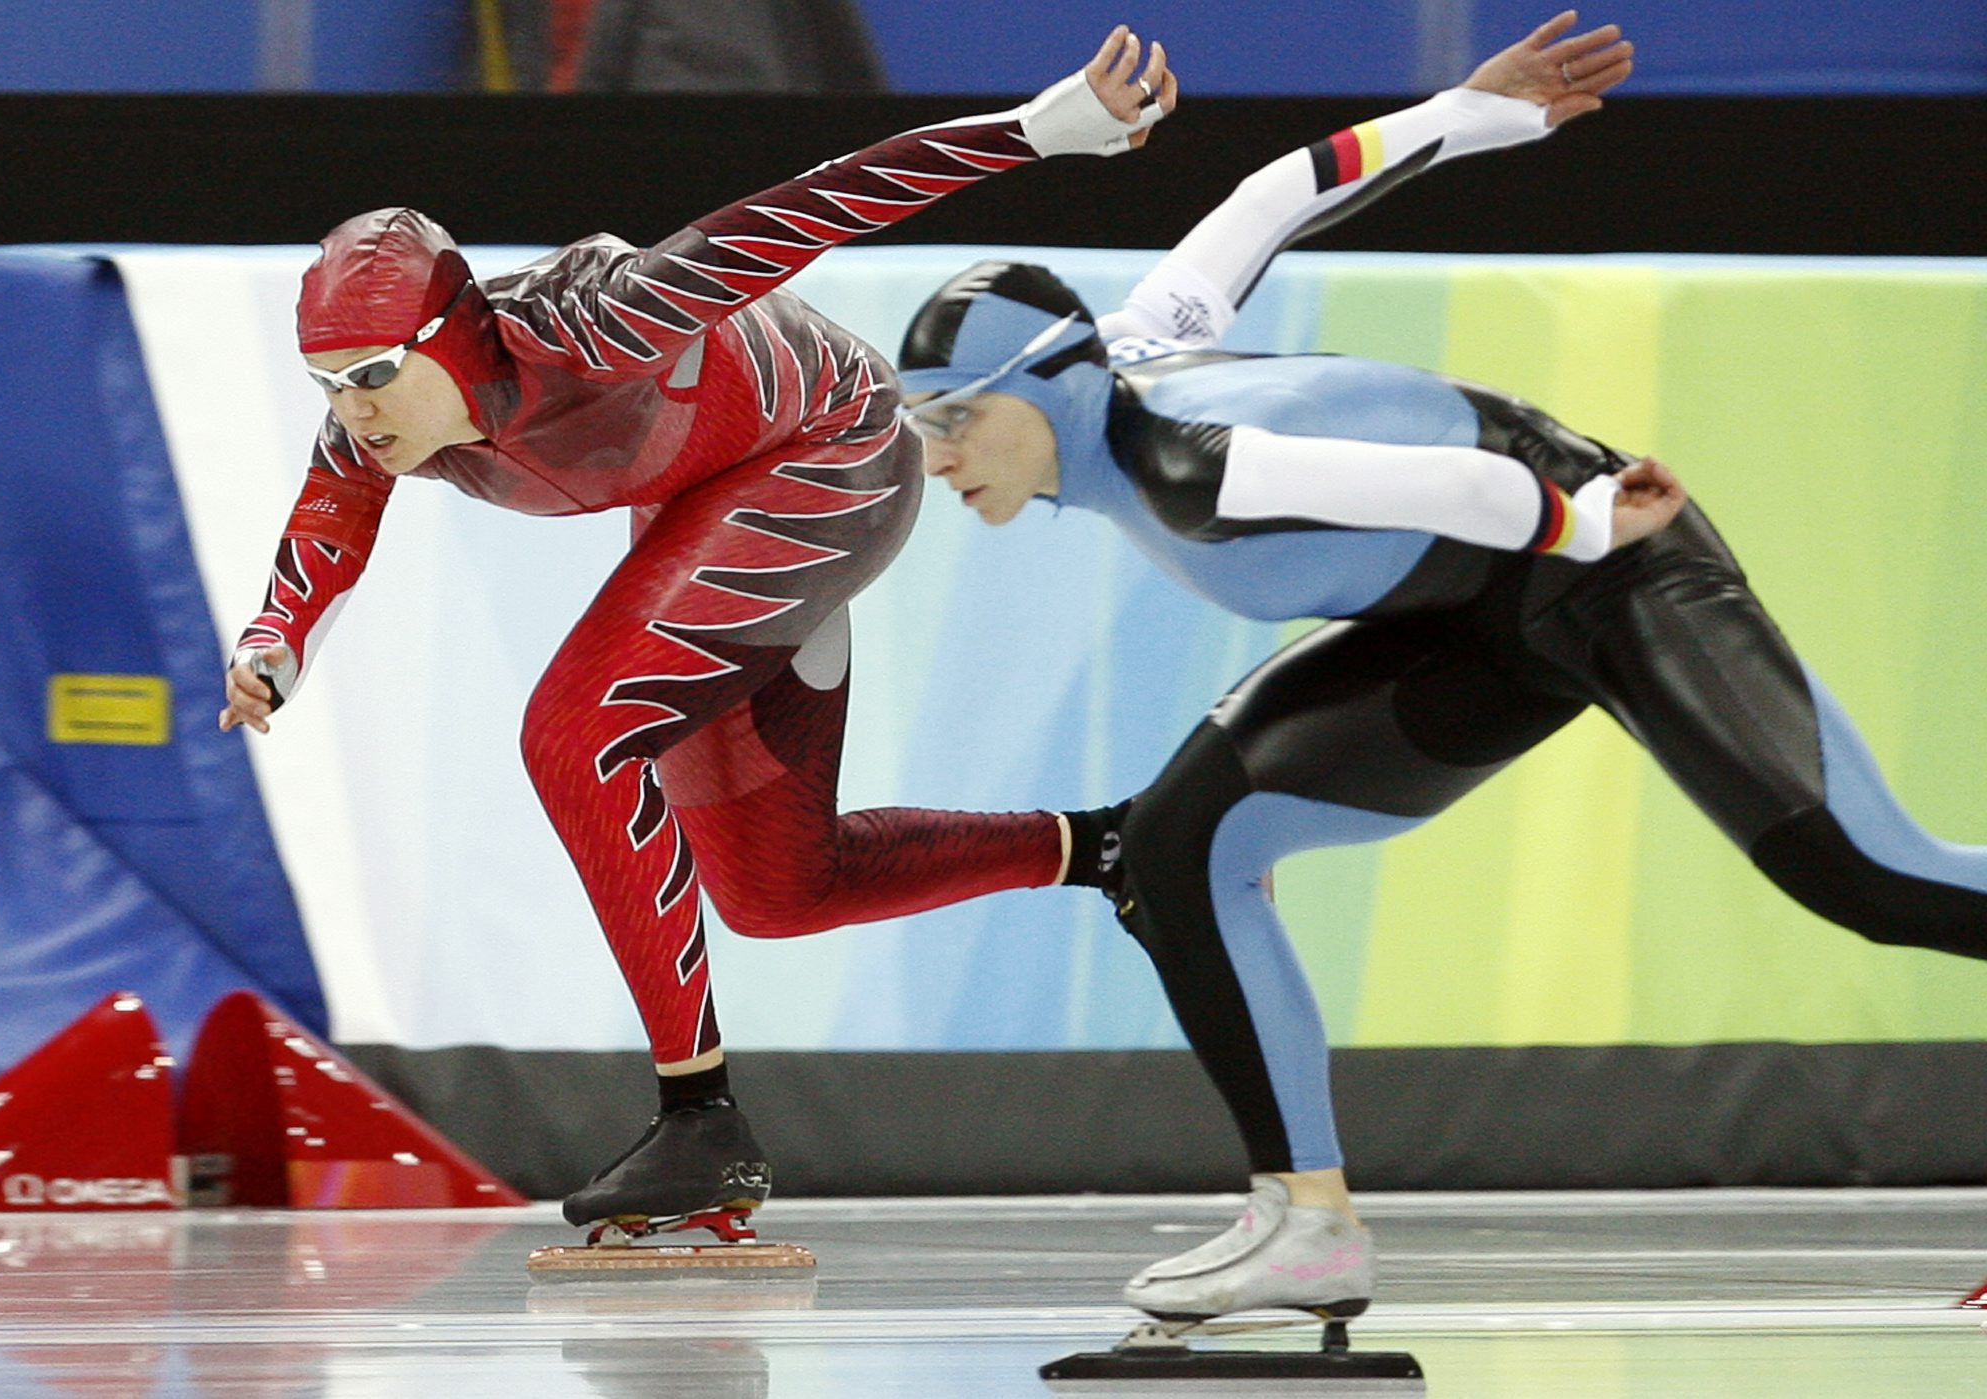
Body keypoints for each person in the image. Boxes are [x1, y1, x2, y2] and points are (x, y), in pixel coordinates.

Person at [895, 10, 1987, 1324]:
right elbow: (1266, 198)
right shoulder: (1123, 344)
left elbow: (1456, 480)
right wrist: (1472, 113)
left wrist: (1586, 524)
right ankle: (1308, 1224)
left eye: (954, 419)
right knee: (1182, 840)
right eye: (920, 427)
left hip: (1604, 559)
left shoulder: (1196, 469)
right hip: (1466, 614)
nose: (939, 454)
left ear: (1042, 389)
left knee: (1863, 870)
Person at [217, 29, 1177, 1236]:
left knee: (576, 735)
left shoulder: (593, 321)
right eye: (327, 385)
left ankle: (697, 1124)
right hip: (709, 496)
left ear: (452, 339)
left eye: (369, 373)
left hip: (829, 450)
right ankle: (1103, 849)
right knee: (778, 889)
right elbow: (331, 517)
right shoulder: (372, 429)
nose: (352, 411)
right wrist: (274, 643)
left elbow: (806, 206)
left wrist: (1037, 130)